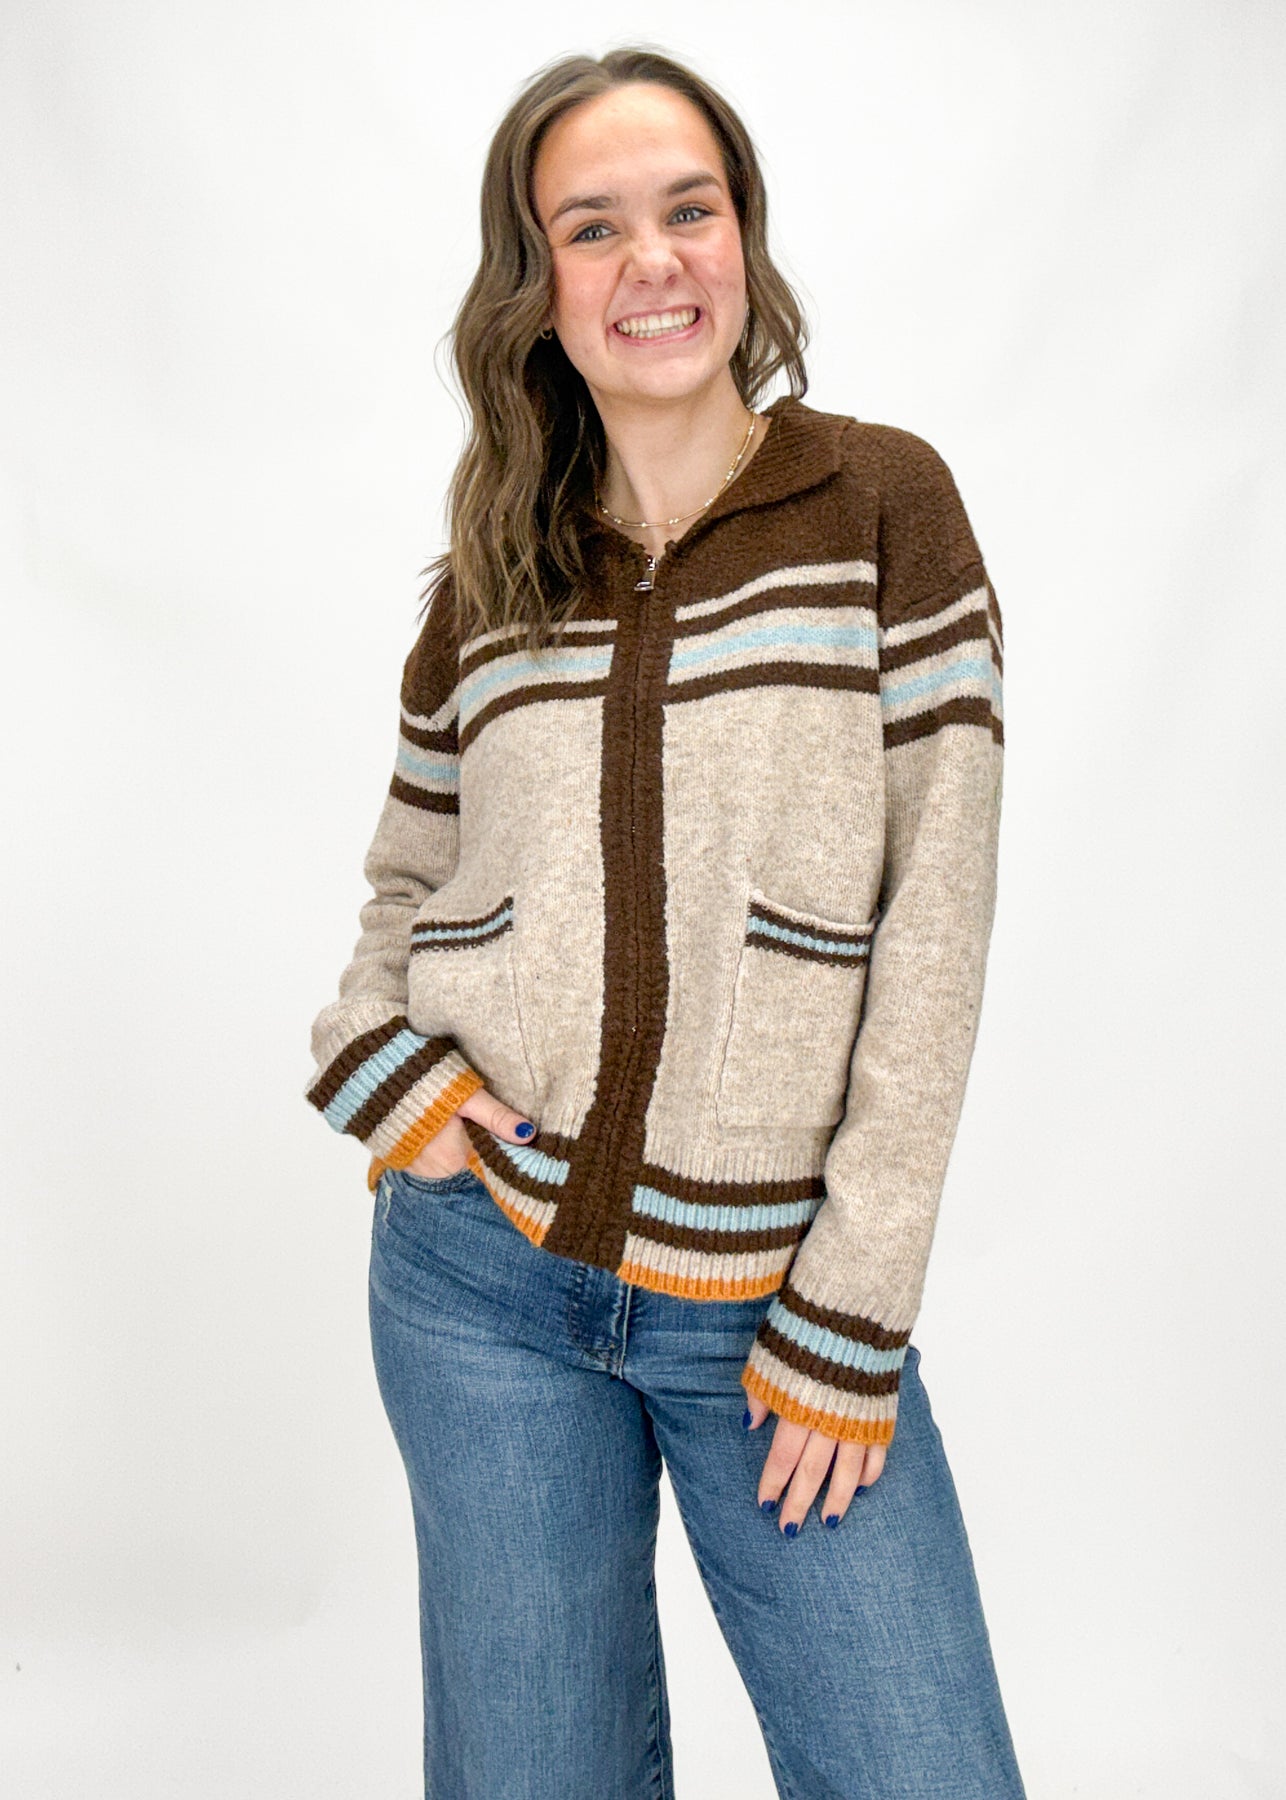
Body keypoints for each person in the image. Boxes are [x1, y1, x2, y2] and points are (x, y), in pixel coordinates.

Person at [304, 44, 1026, 1800]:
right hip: (480, 1280)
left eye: (687, 209)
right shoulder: (489, 575)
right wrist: (384, 1071)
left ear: (742, 237)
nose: (652, 260)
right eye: (592, 226)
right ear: (536, 286)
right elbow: (406, 880)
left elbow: (934, 924)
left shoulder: (879, 506)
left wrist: (851, 1310)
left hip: (773, 1303)